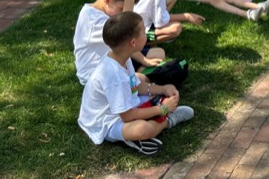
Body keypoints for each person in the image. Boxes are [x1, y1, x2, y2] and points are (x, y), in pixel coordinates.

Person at [77, 11, 194, 156]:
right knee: (143, 129)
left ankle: (144, 130)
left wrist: (162, 89)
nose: (147, 34)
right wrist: (163, 109)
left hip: (124, 108)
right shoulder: (114, 75)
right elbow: (127, 116)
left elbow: (136, 85)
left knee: (159, 96)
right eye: (144, 32)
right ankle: (168, 120)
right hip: (105, 122)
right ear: (133, 43)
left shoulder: (122, 58)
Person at [74, 0, 165, 85]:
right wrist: (129, 1)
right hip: (96, 73)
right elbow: (125, 33)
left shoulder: (105, 12)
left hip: (116, 57)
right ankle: (141, 75)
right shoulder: (94, 21)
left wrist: (145, 61)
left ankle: (140, 72)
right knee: (141, 80)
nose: (123, 12)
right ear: (107, 1)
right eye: (121, 8)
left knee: (159, 53)